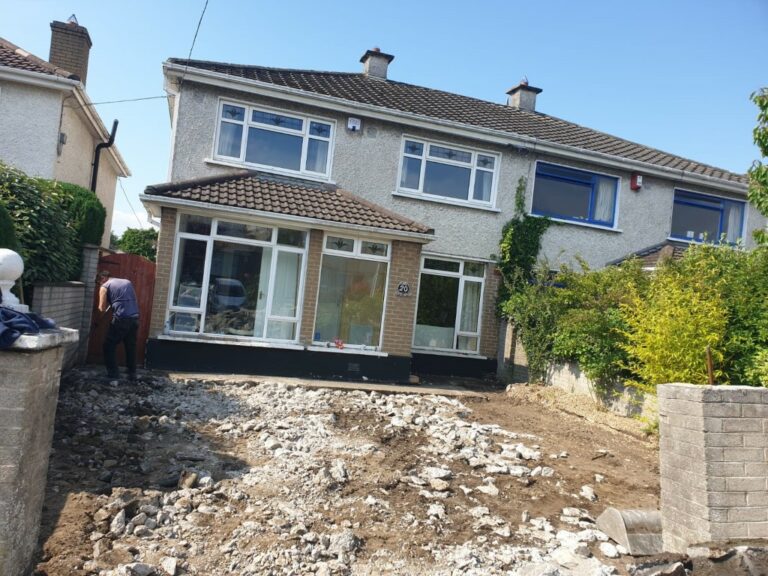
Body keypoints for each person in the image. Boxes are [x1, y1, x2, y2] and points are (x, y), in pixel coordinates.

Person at [97, 270, 140, 382]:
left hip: (121, 319)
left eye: (99, 282)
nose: (99, 285)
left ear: (102, 278)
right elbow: (129, 299)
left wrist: (99, 319)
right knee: (130, 346)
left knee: (108, 345)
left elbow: (101, 308)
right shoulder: (127, 282)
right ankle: (132, 373)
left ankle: (113, 375)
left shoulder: (105, 286)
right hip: (134, 317)